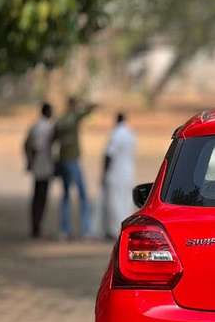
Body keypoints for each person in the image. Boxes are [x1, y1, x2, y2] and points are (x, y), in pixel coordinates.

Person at [54, 96, 96, 239]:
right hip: (73, 161)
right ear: (74, 105)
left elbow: (53, 138)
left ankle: (64, 230)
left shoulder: (60, 120)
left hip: (62, 160)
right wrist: (84, 105)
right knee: (83, 195)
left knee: (65, 195)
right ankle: (86, 230)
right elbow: (90, 108)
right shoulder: (73, 117)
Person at [101, 112, 137, 238]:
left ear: (116, 120)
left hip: (116, 173)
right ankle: (126, 230)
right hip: (128, 173)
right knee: (126, 201)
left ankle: (114, 230)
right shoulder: (131, 134)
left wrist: (104, 173)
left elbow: (109, 155)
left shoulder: (116, 134)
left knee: (114, 202)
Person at [23, 102, 55, 238]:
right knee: (42, 198)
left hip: (36, 165)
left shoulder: (35, 126)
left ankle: (35, 226)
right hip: (46, 165)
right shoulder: (50, 127)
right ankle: (38, 226)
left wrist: (29, 161)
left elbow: (26, 145)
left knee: (36, 196)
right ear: (47, 112)